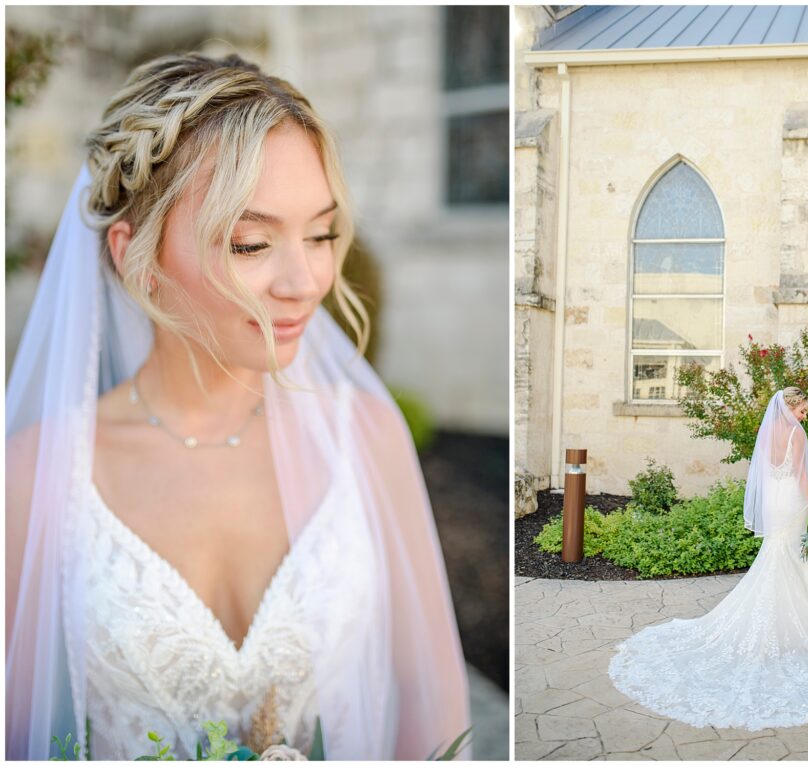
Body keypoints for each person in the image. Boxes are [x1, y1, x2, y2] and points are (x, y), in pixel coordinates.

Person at [6, 52, 472, 760]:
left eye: (320, 234)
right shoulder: (33, 473)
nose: (307, 279)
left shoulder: (365, 435)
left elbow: (434, 724)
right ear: (138, 260)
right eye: (251, 243)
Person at [607, 387, 808, 730]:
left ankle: (780, 625)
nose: (805, 416)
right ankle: (785, 629)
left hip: (773, 501)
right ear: (791, 407)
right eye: (803, 411)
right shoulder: (797, 433)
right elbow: (800, 475)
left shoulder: (768, 432)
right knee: (789, 561)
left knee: (778, 558)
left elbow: (766, 475)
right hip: (792, 501)